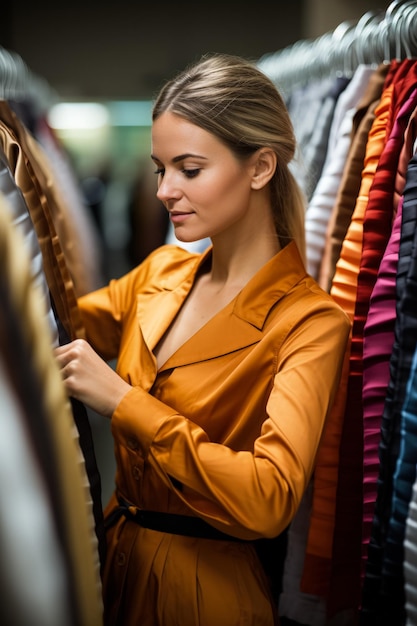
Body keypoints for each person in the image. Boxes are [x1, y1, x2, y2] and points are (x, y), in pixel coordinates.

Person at [55, 53, 351, 626]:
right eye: (160, 169)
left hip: (207, 592)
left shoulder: (309, 322)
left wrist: (124, 402)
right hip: (113, 567)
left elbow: (270, 498)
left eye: (189, 169)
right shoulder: (161, 271)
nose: (165, 190)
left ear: (261, 166)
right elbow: (54, 328)